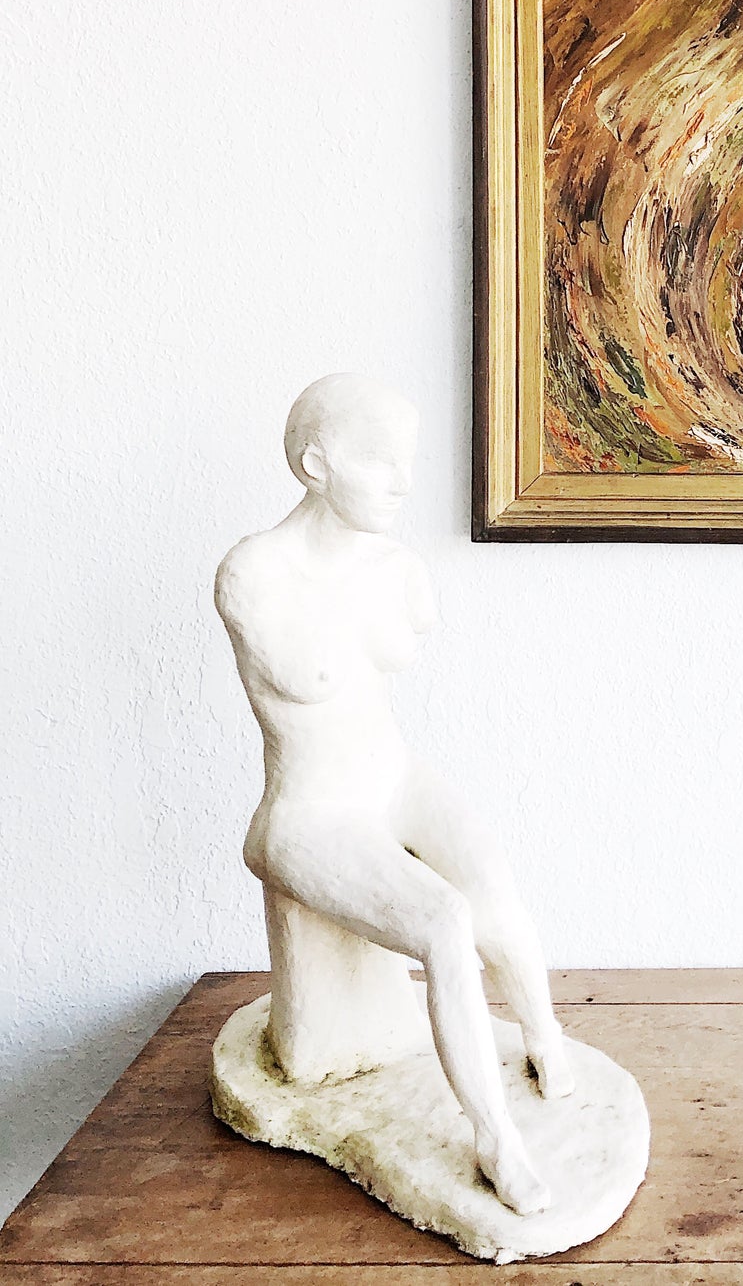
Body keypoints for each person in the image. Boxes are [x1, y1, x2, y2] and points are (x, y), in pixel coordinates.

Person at [214, 373, 569, 1215]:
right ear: (315, 465)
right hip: (312, 814)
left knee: (493, 890)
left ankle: (545, 1036)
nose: (403, 483)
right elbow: (305, 665)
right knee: (443, 924)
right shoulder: (255, 572)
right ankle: (495, 1139)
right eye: (378, 460)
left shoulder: (395, 566)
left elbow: (399, 632)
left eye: (406, 460)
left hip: (394, 778)